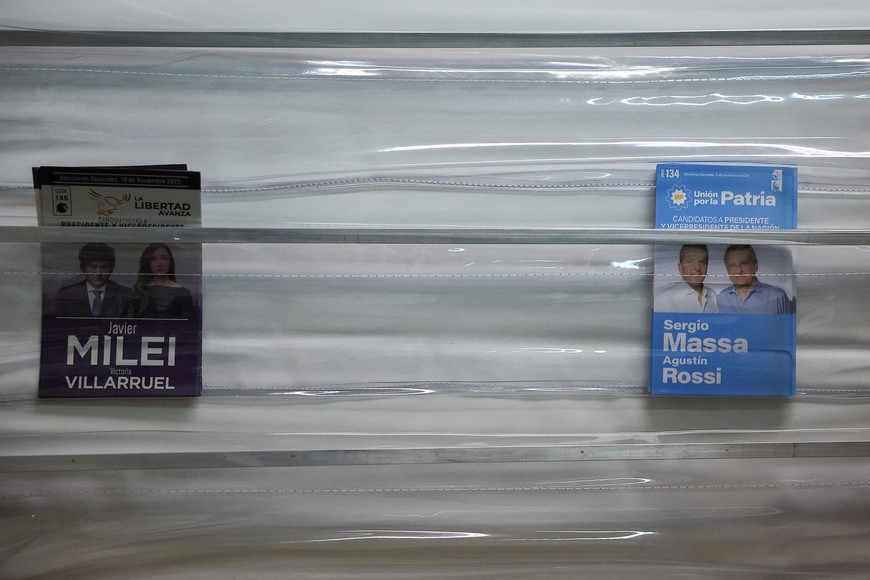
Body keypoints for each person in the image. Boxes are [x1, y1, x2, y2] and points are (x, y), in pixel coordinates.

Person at [53, 242, 136, 318]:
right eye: (93, 267)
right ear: (83, 268)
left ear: (111, 268)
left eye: (104, 267)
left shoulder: (126, 295)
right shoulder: (65, 295)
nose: (98, 272)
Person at [716, 244, 793, 314]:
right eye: (732, 265)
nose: (739, 271)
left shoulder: (777, 297)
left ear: (755, 265)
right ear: (727, 270)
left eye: (744, 263)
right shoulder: (722, 297)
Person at [128, 243, 194, 319]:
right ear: (147, 263)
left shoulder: (183, 293)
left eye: (164, 258)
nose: (159, 264)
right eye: (153, 259)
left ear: (170, 262)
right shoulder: (139, 289)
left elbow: (187, 326)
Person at [655, 244, 718, 313]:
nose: (697, 268)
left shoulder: (713, 295)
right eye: (690, 262)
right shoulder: (663, 299)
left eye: (702, 262)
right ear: (680, 268)